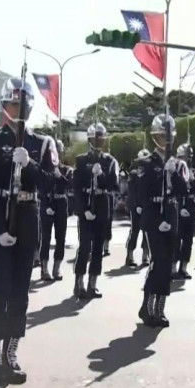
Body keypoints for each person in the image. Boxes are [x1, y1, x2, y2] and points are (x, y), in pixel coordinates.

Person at [0, 77, 58, 384]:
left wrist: (30, 166)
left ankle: (12, 352)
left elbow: (51, 183)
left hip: (27, 218)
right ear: (4, 106)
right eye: (14, 103)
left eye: (24, 103)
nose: (19, 108)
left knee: (20, 292)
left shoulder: (41, 143)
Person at [137, 114, 188, 328]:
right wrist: (157, 219)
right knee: (157, 263)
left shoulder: (177, 163)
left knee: (168, 265)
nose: (165, 140)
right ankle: (147, 307)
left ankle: (160, 308)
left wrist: (173, 173)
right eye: (161, 136)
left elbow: (184, 189)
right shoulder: (146, 163)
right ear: (154, 137)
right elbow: (141, 194)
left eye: (168, 136)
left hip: (171, 216)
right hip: (153, 219)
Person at [72, 123, 119, 299]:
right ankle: (79, 282)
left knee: (99, 247)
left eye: (101, 138)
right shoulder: (81, 160)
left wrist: (101, 175)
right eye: (95, 138)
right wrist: (83, 209)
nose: (98, 141)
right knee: (85, 246)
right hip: (86, 205)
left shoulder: (110, 161)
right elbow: (76, 187)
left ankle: (93, 283)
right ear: (90, 139)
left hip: (101, 204)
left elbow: (113, 184)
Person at [38, 139, 72, 281]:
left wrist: (59, 175)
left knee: (61, 238)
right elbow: (40, 188)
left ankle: (56, 268)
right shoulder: (43, 169)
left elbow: (70, 184)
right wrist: (45, 205)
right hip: (47, 204)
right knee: (45, 238)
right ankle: (44, 268)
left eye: (58, 150)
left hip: (61, 204)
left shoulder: (65, 169)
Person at [173, 143, 195, 280]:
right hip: (178, 203)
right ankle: (173, 267)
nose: (185, 160)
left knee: (188, 239)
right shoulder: (174, 170)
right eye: (183, 157)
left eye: (187, 157)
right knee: (176, 237)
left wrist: (190, 178)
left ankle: (184, 267)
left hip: (190, 204)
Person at [124, 149, 150, 267]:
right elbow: (132, 192)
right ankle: (129, 255)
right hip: (135, 207)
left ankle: (145, 256)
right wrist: (137, 205)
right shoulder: (133, 174)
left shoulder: (150, 172)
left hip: (147, 207)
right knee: (135, 230)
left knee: (147, 232)